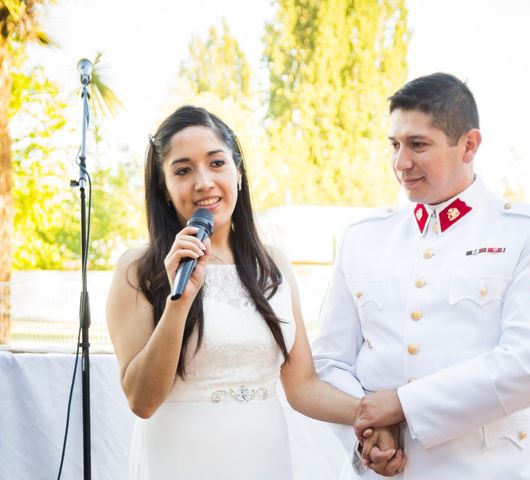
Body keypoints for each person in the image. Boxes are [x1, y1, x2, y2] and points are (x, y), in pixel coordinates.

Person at [105, 106, 396, 479]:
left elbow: (303, 386)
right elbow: (141, 400)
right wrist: (180, 303)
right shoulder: (137, 270)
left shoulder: (273, 265)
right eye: (183, 170)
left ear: (238, 174)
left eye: (216, 163)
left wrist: (372, 415)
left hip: (263, 455)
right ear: (163, 188)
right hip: (180, 459)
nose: (203, 182)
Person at [312, 73, 530, 479]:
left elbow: (528, 364)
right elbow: (329, 362)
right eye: (394, 145)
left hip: (485, 469)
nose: (401, 163)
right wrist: (370, 427)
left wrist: (403, 404)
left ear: (469, 145)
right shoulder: (362, 238)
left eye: (418, 145)